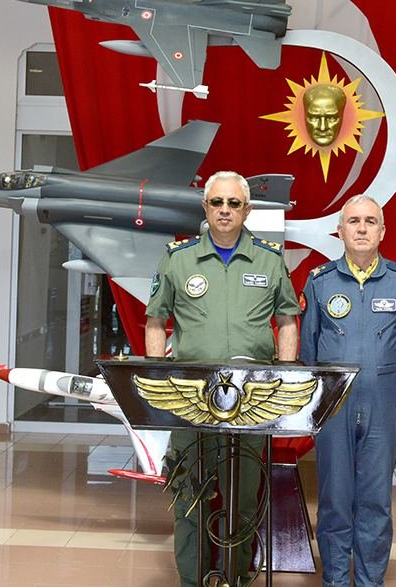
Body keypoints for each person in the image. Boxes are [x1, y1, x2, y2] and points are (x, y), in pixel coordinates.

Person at [144, 170, 300, 587]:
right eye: (217, 202)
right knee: (189, 498)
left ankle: (236, 578)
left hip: (251, 401)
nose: (225, 210)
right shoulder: (178, 259)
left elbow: (287, 321)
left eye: (234, 203)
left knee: (244, 499)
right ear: (205, 207)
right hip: (190, 400)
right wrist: (159, 384)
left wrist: (284, 383)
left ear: (247, 210)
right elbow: (156, 322)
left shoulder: (269, 259)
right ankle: (192, 580)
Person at [299, 194, 396, 587]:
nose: (361, 228)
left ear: (382, 231)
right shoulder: (320, 281)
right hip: (333, 407)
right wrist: (310, 406)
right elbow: (308, 351)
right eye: (353, 221)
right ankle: (337, 580)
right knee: (335, 501)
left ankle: (371, 581)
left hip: (382, 406)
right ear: (340, 231)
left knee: (375, 502)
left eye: (370, 221)